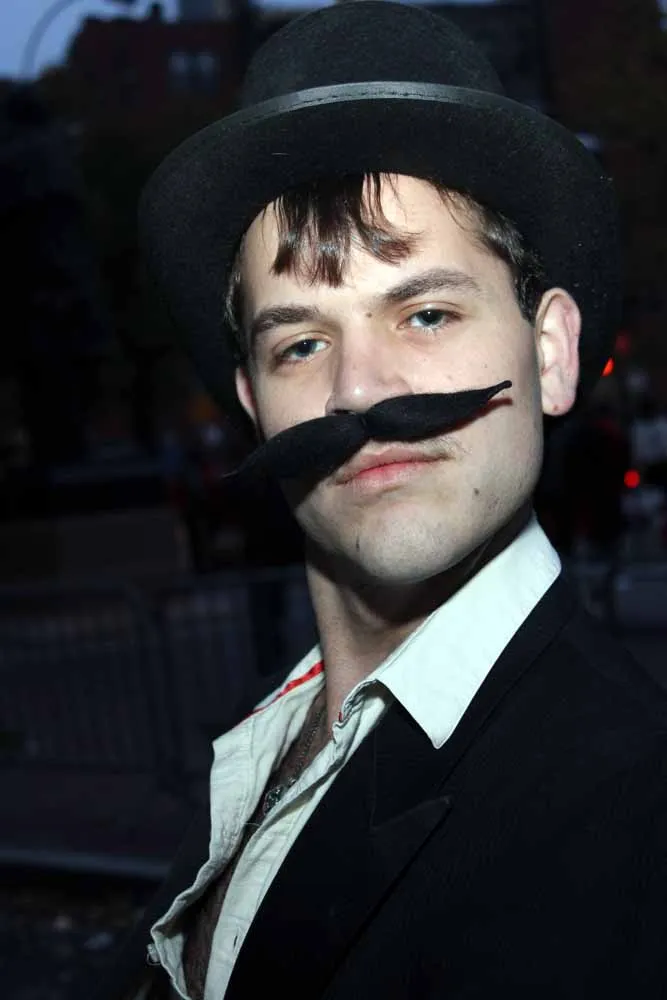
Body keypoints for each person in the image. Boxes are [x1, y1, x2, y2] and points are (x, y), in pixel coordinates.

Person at [96, 4, 667, 998]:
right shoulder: (270, 739)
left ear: (549, 354)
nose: (357, 390)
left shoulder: (634, 817)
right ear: (254, 408)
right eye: (300, 343)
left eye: (426, 313)